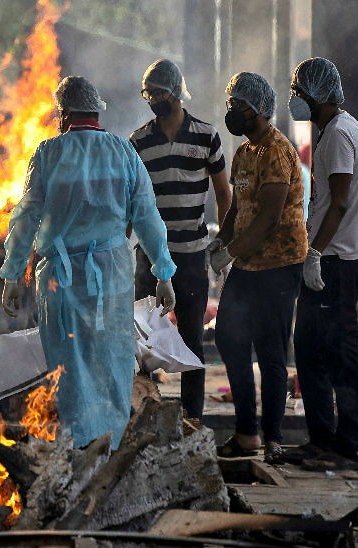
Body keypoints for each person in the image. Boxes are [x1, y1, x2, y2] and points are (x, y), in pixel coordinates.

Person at [0, 76, 176, 450]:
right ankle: (109, 447)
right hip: (111, 276)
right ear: (97, 112)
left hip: (60, 282)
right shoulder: (123, 153)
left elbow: (25, 218)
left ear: (63, 115)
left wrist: (13, 273)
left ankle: (77, 445)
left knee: (69, 365)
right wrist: (163, 273)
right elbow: (146, 216)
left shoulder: (47, 154)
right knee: (111, 361)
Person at [210, 72, 307, 464]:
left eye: (240, 105)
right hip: (249, 263)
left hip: (280, 265)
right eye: (231, 103)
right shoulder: (245, 152)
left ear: (260, 108)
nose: (233, 112)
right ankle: (247, 432)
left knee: (270, 352)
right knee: (229, 339)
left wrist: (229, 253)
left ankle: (272, 438)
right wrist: (222, 242)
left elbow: (268, 217)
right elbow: (236, 209)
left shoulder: (278, 152)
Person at [130, 59, 231, 425]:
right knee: (142, 338)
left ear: (175, 93)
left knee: (191, 339)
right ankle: (140, 413)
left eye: (158, 92)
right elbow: (131, 202)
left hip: (191, 256)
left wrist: (226, 240)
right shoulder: (138, 142)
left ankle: (192, 420)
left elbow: (223, 192)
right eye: (148, 94)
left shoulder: (206, 135)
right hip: (151, 257)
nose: (153, 99)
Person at [286, 58, 358, 471]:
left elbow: (340, 201)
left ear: (316, 95)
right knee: (312, 349)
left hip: (334, 260)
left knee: (340, 351)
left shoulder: (337, 135)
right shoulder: (344, 129)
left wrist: (315, 251)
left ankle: (346, 445)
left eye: (299, 93)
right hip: (338, 256)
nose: (296, 100)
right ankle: (323, 439)